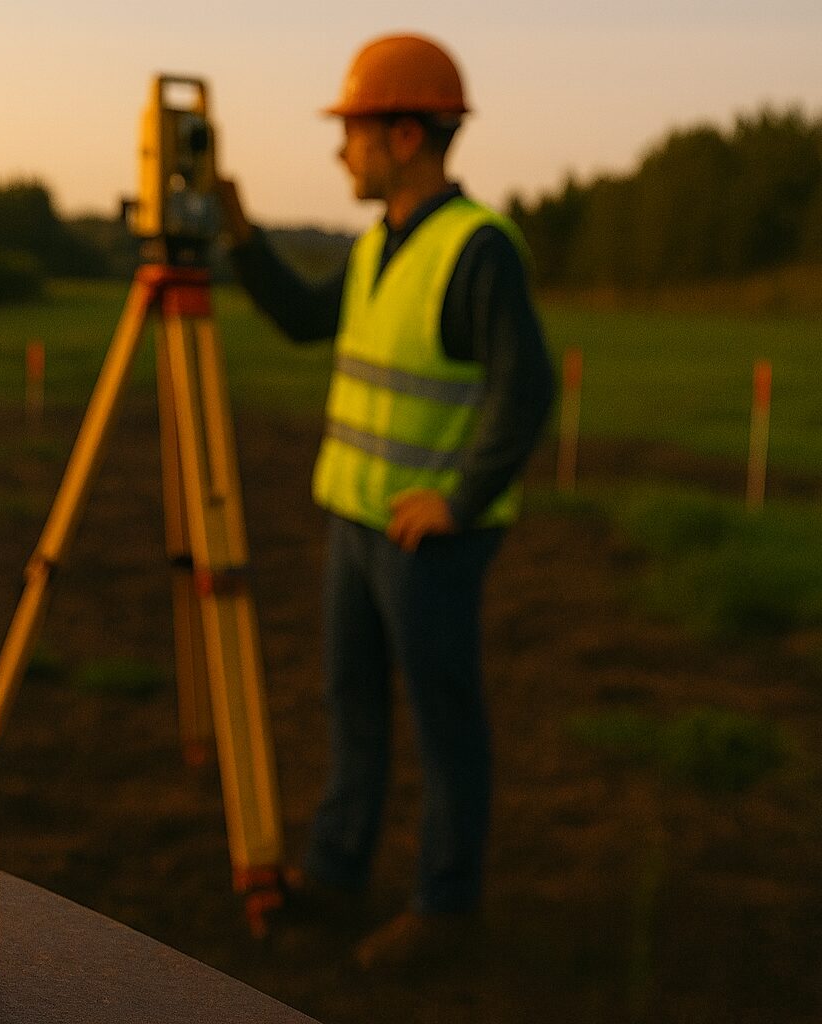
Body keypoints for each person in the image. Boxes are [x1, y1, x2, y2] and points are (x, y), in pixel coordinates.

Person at [216, 33, 556, 969]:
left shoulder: (476, 250)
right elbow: (297, 319)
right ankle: (336, 869)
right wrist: (240, 233)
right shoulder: (379, 247)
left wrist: (459, 499)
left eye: (353, 130)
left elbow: (526, 391)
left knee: (446, 723)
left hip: (427, 541)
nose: (340, 150)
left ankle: (447, 909)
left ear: (405, 135)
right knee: (351, 704)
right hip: (355, 522)